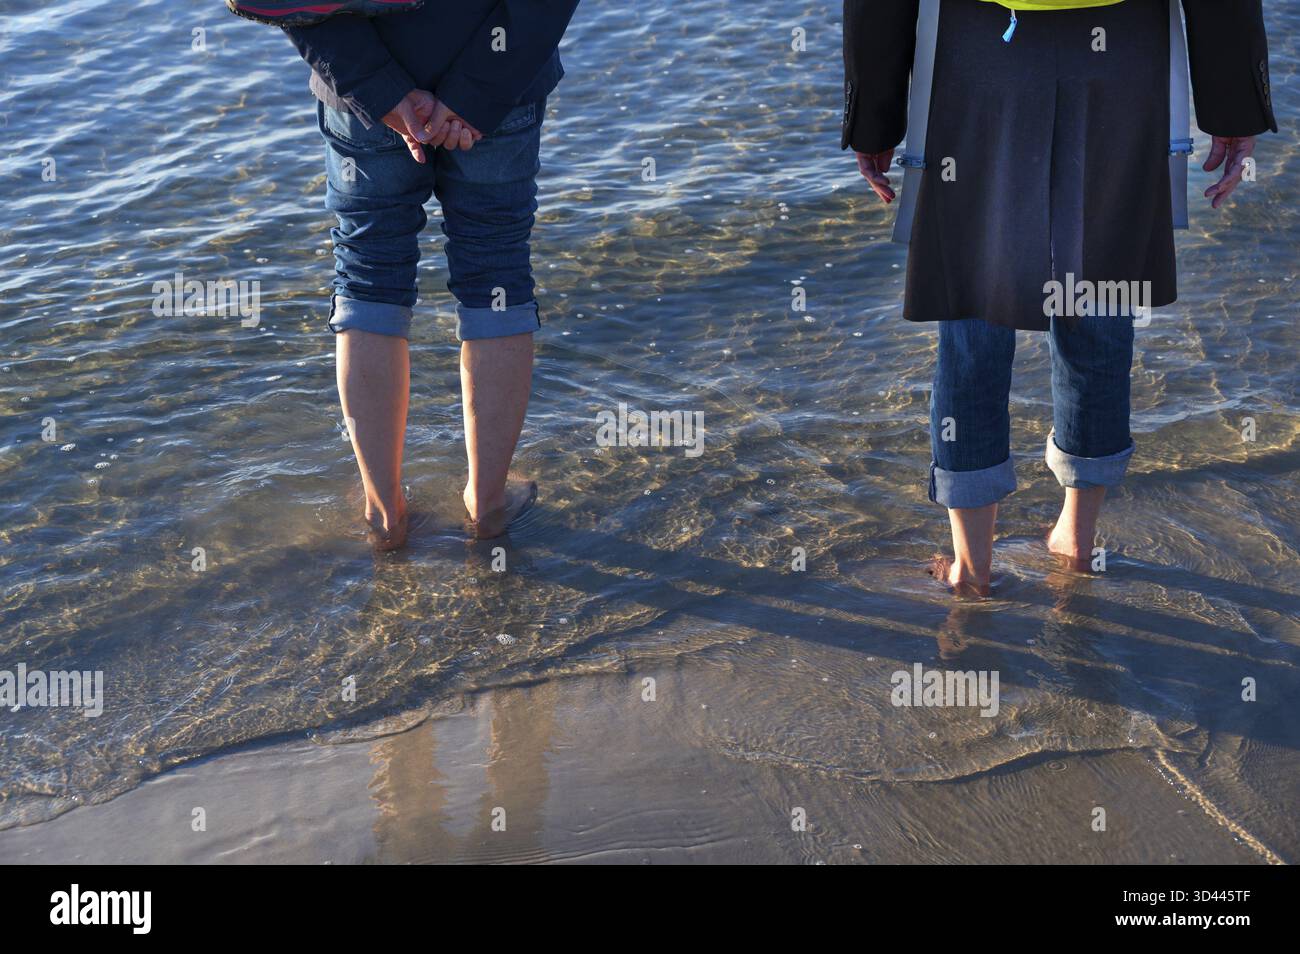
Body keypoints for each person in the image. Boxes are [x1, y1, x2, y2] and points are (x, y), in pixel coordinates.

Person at [842, 0, 1276, 596]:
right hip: (1121, 43)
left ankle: (972, 567)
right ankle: (1076, 540)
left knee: (974, 306)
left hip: (983, 44)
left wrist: (873, 114)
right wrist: (1233, 101)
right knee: (1097, 295)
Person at [282, 1, 580, 547]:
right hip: (502, 76)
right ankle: (487, 504)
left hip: (364, 85)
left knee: (368, 274)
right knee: (497, 270)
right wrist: (477, 92)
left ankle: (384, 513)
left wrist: (380, 89)